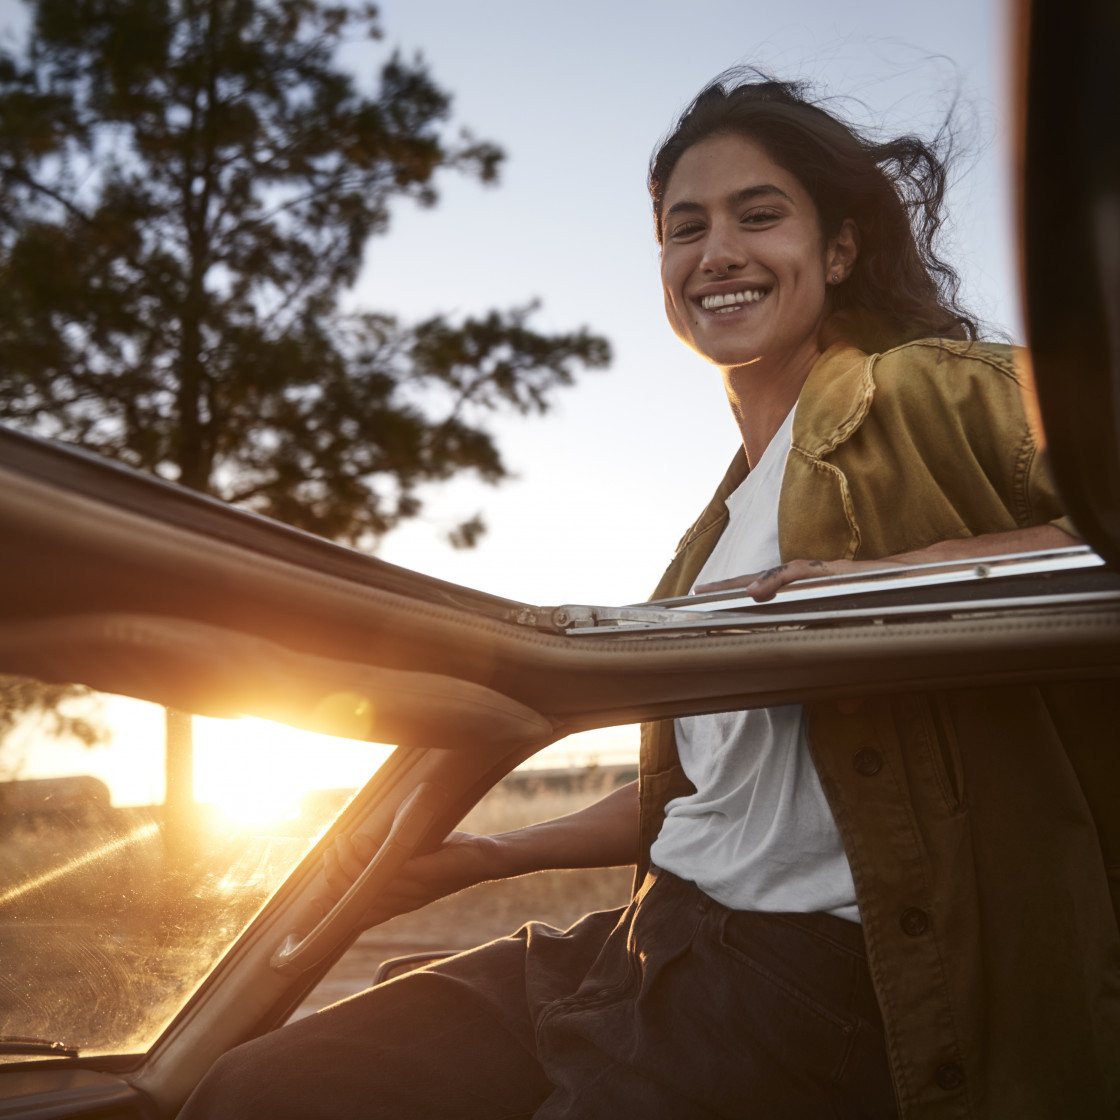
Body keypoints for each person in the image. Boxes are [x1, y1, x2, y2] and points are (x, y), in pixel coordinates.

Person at [179, 75, 1119, 1119]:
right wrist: (484, 858)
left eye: (758, 216)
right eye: (685, 227)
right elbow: (716, 798)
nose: (716, 250)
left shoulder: (933, 390)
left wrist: (910, 574)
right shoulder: (704, 546)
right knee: (262, 1087)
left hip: (800, 981)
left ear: (840, 251)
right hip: (640, 936)